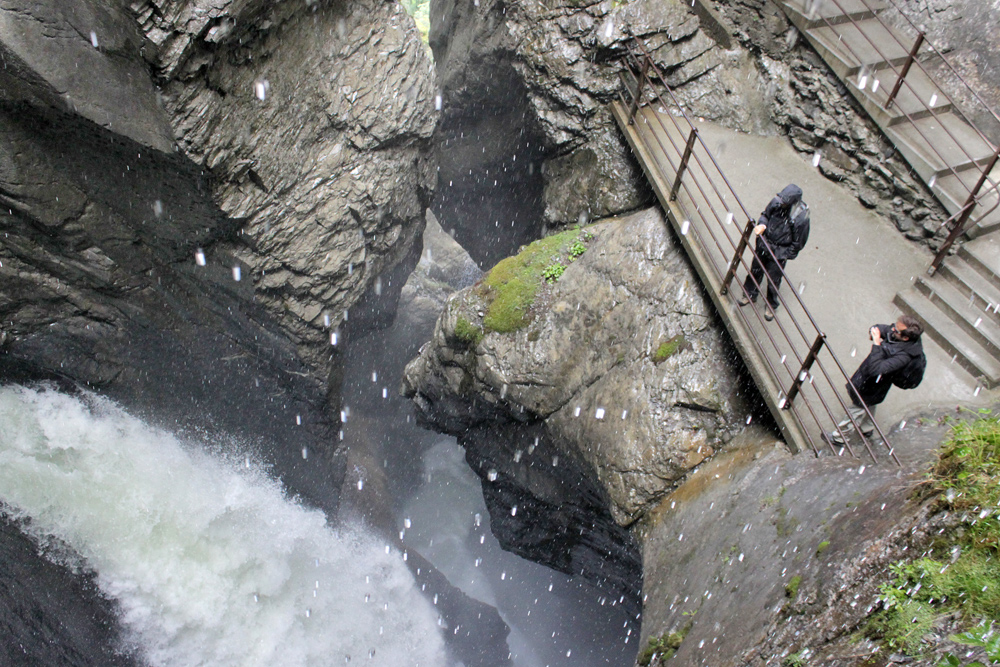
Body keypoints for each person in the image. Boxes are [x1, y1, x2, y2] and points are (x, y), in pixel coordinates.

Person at [827, 315, 925, 445]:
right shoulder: (900, 336)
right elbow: (882, 328)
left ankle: (839, 438)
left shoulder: (903, 357)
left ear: (905, 338)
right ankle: (867, 429)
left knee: (857, 408)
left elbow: (876, 369)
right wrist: (874, 330)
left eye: (896, 329)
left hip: (873, 384)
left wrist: (876, 344)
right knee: (869, 404)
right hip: (875, 385)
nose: (892, 330)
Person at [738, 184, 810, 321]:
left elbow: (799, 242)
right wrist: (762, 225)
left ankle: (771, 305)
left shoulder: (801, 217)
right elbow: (765, 215)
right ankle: (749, 293)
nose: (780, 202)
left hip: (780, 251)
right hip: (765, 244)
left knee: (774, 280)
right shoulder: (777, 202)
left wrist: (785, 254)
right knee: (755, 270)